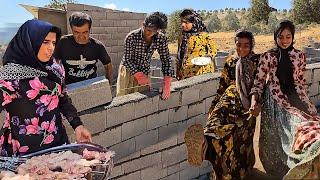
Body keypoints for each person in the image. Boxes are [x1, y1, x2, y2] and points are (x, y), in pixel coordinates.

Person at [0, 19, 91, 157]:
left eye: (53, 43)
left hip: (57, 145)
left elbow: (63, 100)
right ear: (29, 42)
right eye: (45, 42)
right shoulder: (11, 77)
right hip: (22, 153)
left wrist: (78, 125)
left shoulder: (55, 69)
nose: (51, 48)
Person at [184, 29, 259, 179]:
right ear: (235, 44)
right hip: (230, 101)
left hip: (248, 108)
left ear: (251, 46)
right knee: (223, 134)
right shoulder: (231, 62)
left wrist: (258, 104)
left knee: (240, 142)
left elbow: (261, 84)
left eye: (246, 45)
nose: (241, 49)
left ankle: (208, 145)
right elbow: (222, 87)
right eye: (238, 45)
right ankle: (205, 143)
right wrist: (213, 107)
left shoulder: (258, 61)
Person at [249, 20, 320, 179]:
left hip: (297, 97)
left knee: (311, 124)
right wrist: (254, 101)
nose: (284, 40)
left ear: (293, 37)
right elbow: (259, 83)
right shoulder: (268, 56)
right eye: (281, 36)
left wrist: (307, 104)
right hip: (275, 101)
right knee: (286, 134)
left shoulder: (299, 55)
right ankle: (285, 172)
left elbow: (300, 82)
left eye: (288, 36)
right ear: (275, 37)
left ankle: (307, 167)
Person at [116, 12, 173, 100]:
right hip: (128, 70)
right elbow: (127, 60)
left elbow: (166, 60)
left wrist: (167, 82)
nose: (150, 33)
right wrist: (139, 76)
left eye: (155, 31)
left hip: (144, 69)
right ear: (143, 25)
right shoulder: (131, 37)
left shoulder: (161, 39)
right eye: (148, 30)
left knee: (141, 100)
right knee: (123, 99)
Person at [54, 12, 112, 84]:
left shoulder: (98, 46)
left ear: (90, 30)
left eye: (85, 32)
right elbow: (54, 63)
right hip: (69, 87)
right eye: (76, 32)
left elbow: (108, 65)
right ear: (71, 29)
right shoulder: (62, 43)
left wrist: (108, 83)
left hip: (91, 85)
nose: (81, 36)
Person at [176, 9, 217, 80]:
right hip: (186, 74)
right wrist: (178, 71)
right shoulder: (182, 37)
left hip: (202, 73)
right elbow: (180, 56)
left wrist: (207, 58)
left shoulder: (203, 36)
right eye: (182, 22)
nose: (183, 25)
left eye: (186, 22)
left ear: (194, 22)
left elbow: (213, 50)